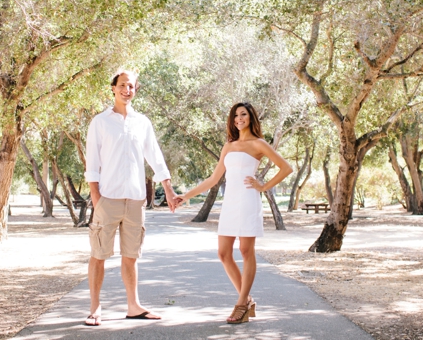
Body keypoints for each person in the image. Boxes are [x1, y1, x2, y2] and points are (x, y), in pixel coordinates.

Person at [176, 102, 292, 324]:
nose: (239, 118)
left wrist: (263, 186)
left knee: (246, 251)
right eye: (236, 115)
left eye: (244, 114)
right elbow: (213, 179)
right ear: (232, 120)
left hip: (248, 200)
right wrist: (186, 196)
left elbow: (286, 168)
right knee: (223, 253)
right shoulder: (228, 146)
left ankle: (241, 305)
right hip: (229, 202)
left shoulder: (259, 144)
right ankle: (246, 299)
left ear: (251, 118)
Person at [83, 69, 181, 327]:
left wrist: (168, 189)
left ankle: (133, 306)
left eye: (132, 86)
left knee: (131, 255)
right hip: (108, 199)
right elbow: (92, 163)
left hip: (136, 201)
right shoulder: (100, 122)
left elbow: (156, 158)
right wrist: (97, 199)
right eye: (123, 85)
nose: (127, 90)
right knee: (99, 255)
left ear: (136, 90)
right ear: (113, 88)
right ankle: (95, 308)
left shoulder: (142, 123)